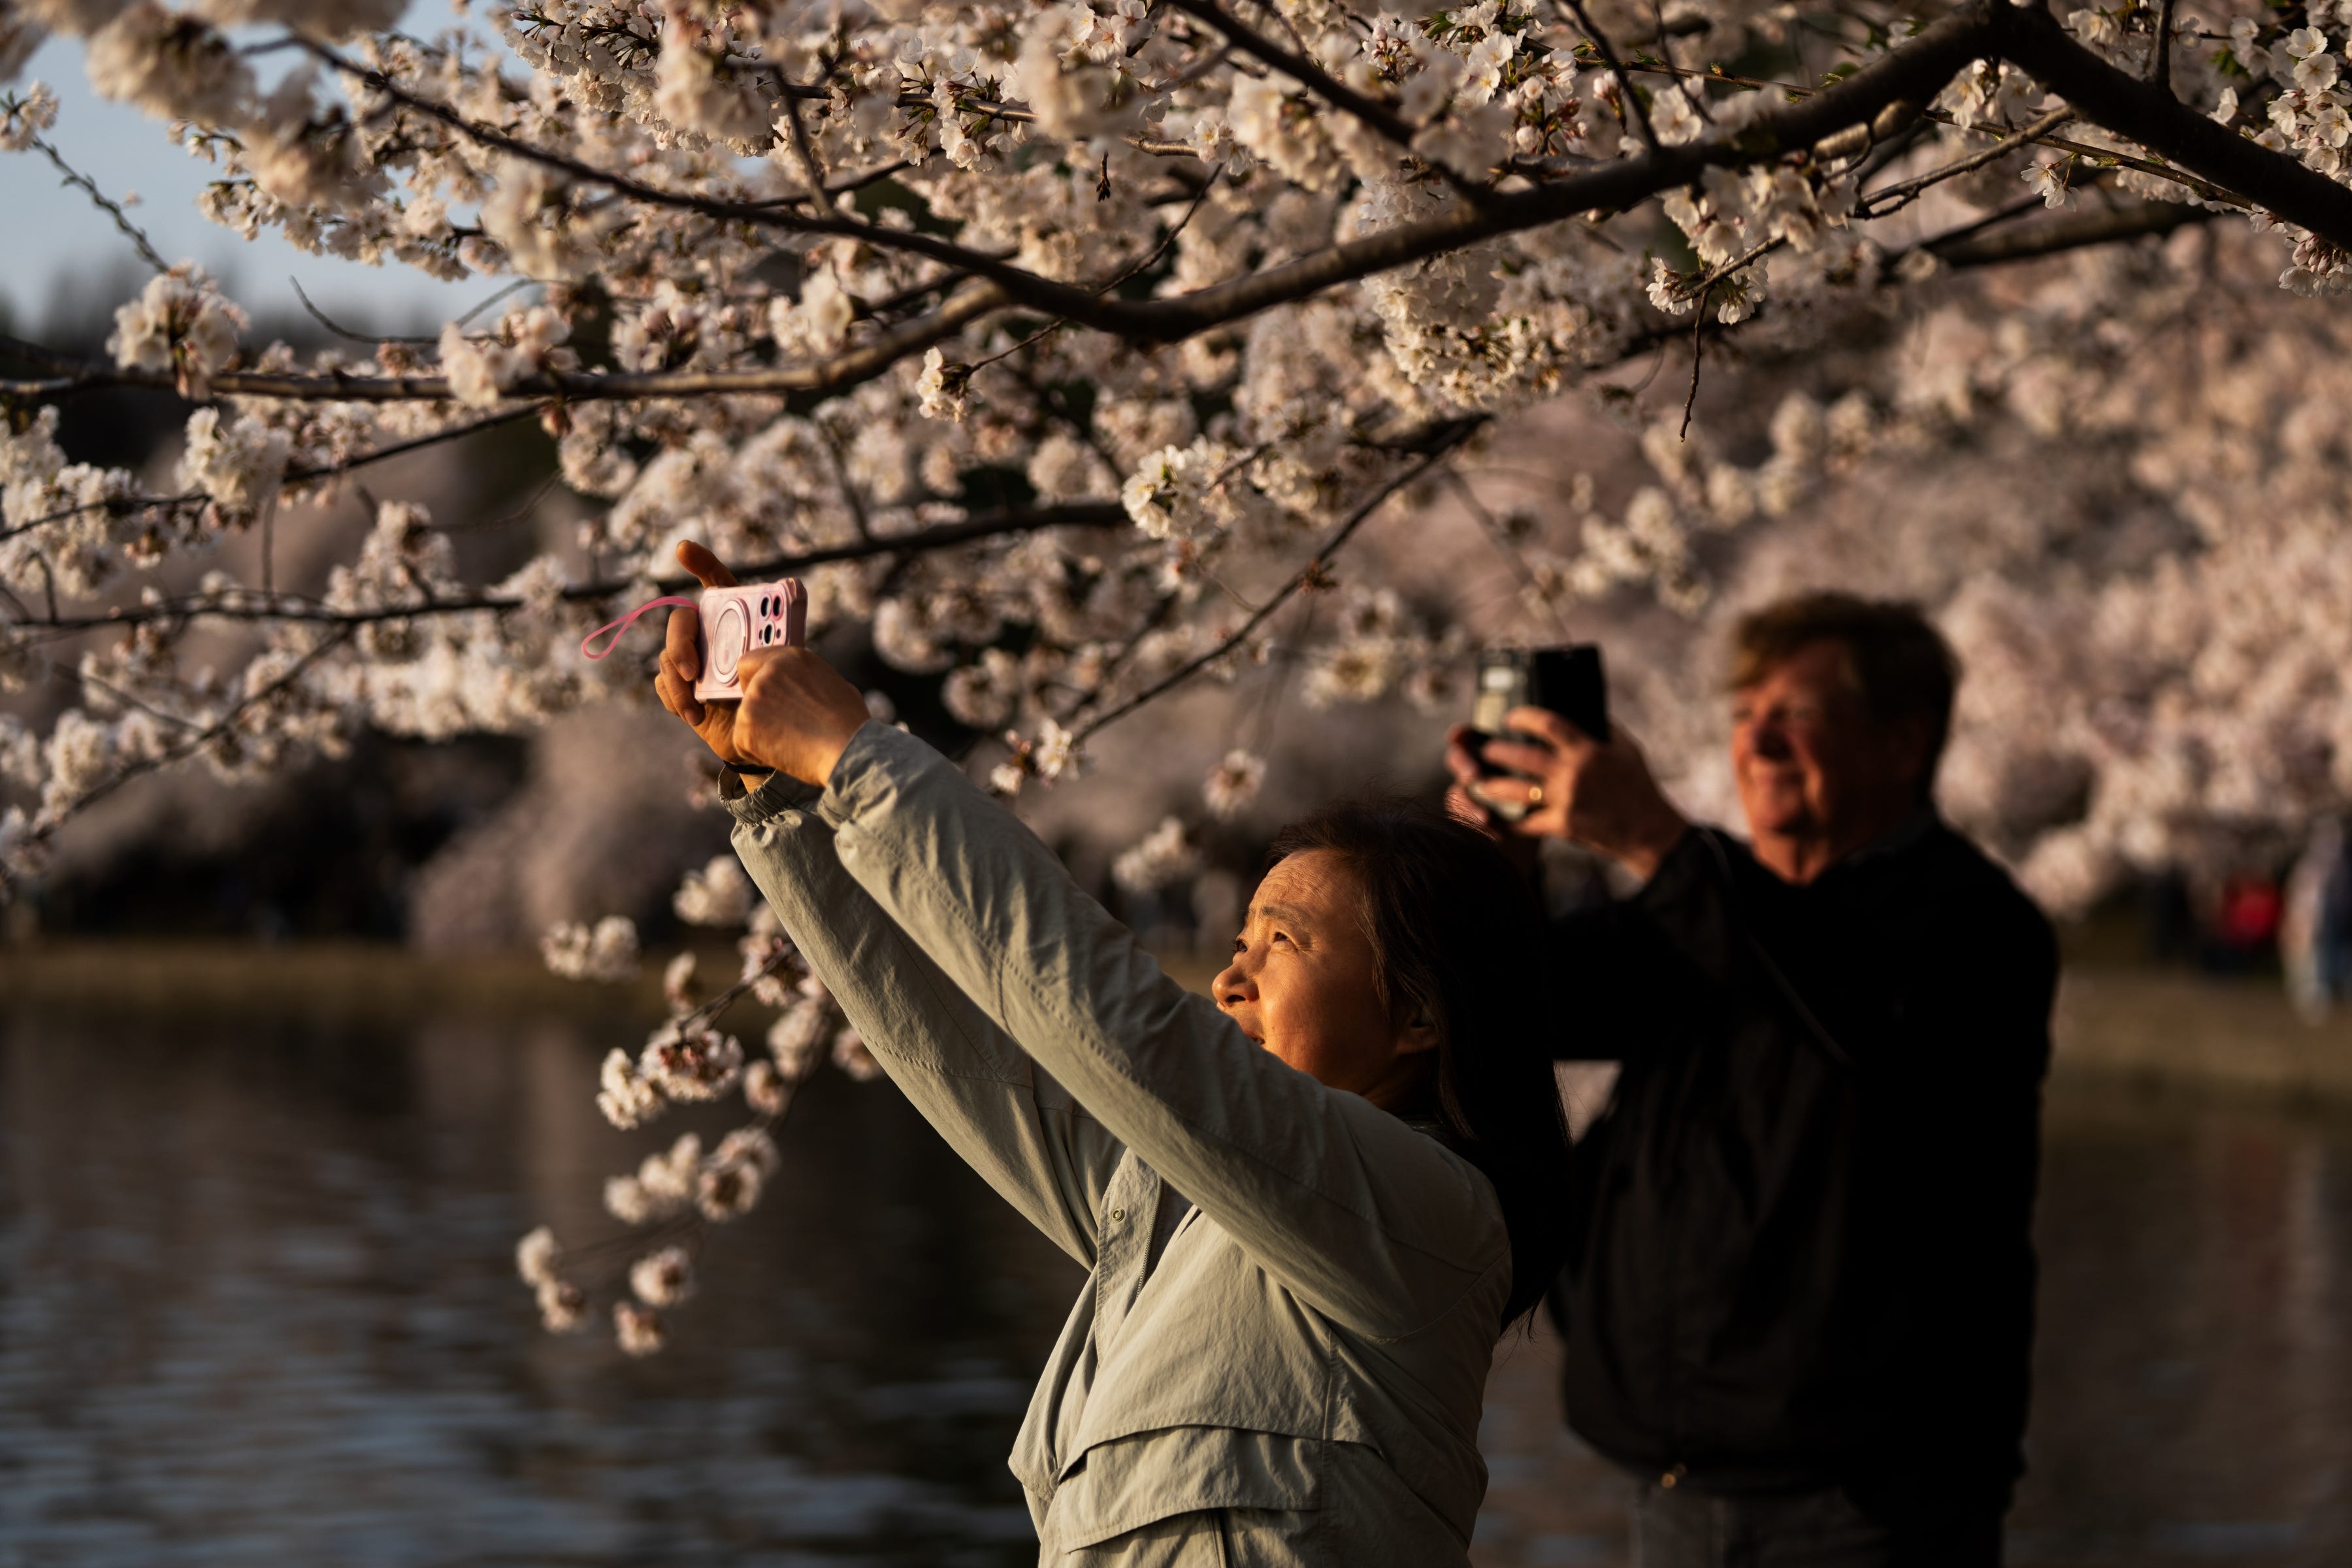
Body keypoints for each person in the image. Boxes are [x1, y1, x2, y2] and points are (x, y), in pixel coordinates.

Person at [653, 542, 1574, 1566]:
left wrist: (859, 761)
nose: (1231, 980)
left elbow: (1116, 1024)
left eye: (1285, 943)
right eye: (1239, 942)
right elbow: (970, 1050)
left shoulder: (1433, 1219)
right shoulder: (1175, 1204)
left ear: (1420, 1015)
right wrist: (776, 794)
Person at [1447, 593, 2059, 1568]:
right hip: (1675, 1481)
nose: (1760, 743)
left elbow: (1847, 1008)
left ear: (1903, 746)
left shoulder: (1973, 927)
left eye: (1799, 717)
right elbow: (1517, 1011)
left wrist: (1657, 839)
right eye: (1743, 718)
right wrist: (1494, 868)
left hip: (1872, 1503)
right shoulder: (1700, 914)